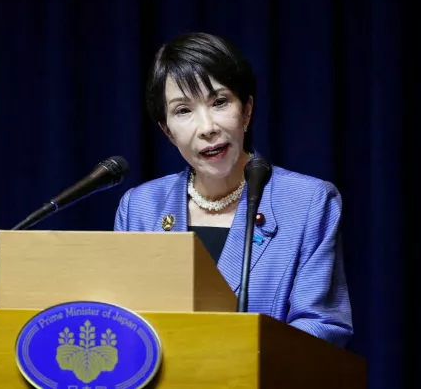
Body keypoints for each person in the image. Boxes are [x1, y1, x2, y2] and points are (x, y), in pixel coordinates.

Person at [113, 32, 353, 347]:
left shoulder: (308, 202)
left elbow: (324, 328)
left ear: (247, 111)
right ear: (167, 131)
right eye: (183, 110)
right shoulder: (140, 208)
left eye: (220, 102)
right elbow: (124, 324)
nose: (207, 127)